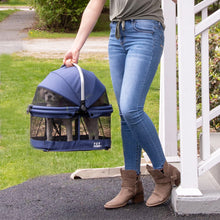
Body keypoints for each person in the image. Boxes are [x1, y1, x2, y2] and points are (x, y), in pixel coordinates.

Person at [63, 0, 180, 209]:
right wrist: (76, 47)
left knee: (131, 108)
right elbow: (94, 4)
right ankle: (131, 185)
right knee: (125, 116)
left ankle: (164, 174)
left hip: (146, 31)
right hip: (117, 35)